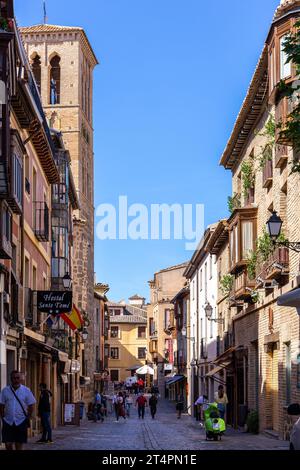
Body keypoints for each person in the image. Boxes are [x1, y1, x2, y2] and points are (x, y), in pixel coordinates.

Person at [0, 370, 36, 451]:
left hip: (21, 421)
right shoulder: (5, 391)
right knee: (8, 444)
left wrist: (28, 416)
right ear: (11, 379)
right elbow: (1, 404)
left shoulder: (26, 390)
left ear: (20, 379)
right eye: (14, 378)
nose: (16, 380)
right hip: (8, 421)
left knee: (18, 445)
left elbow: (31, 404)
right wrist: (3, 418)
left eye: (17, 378)